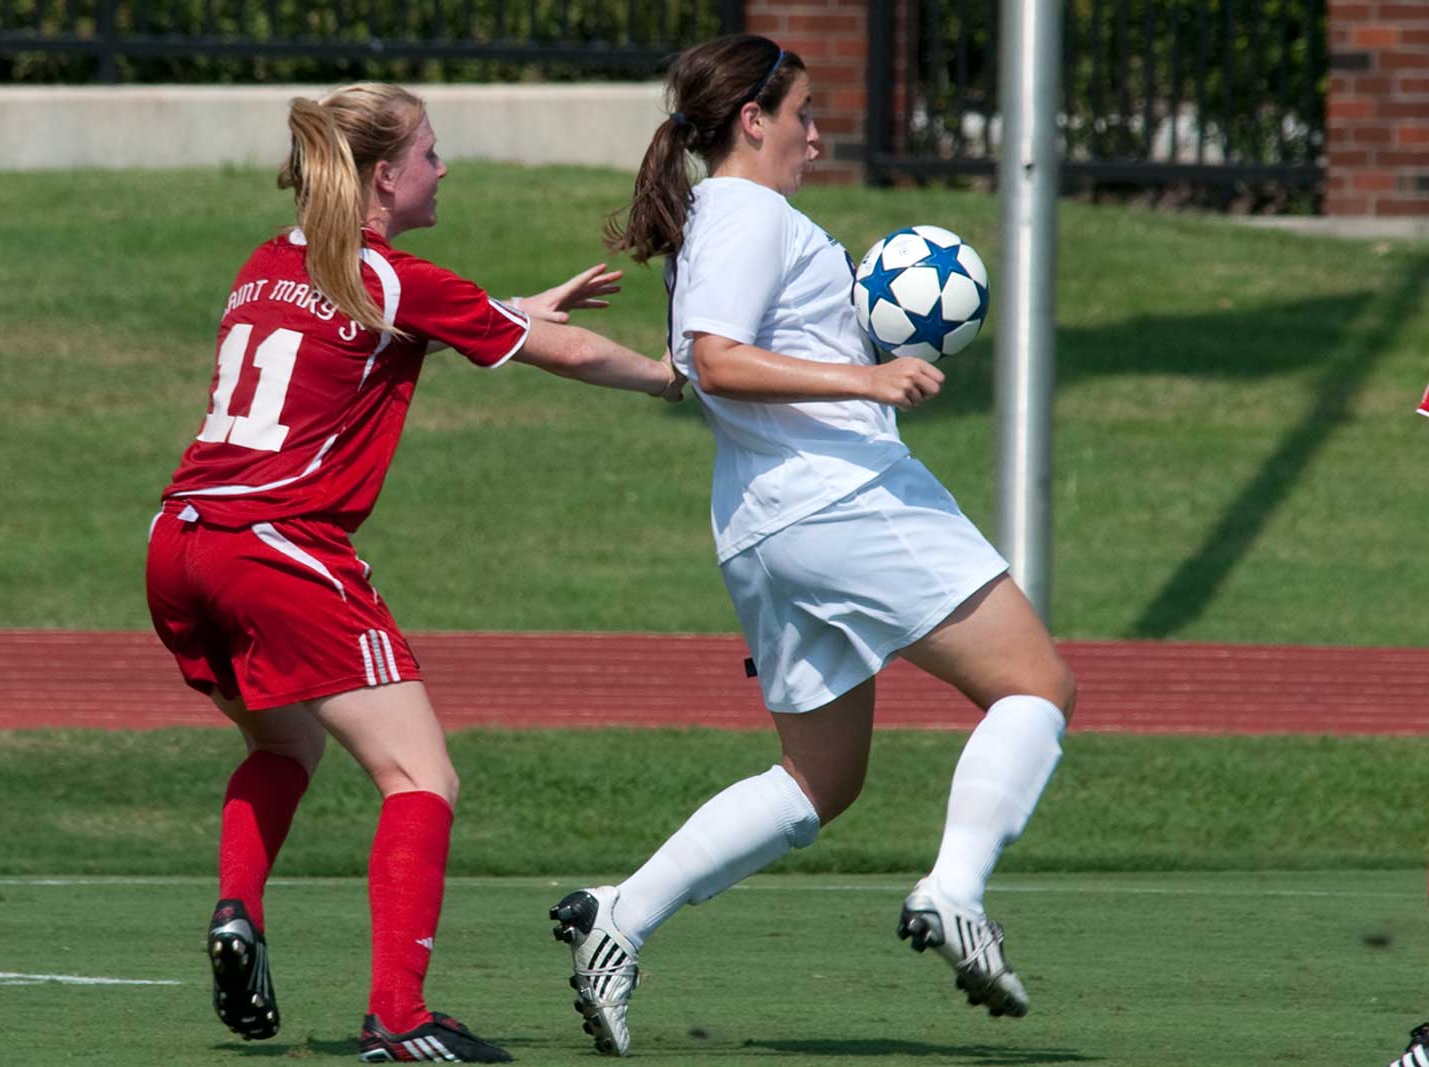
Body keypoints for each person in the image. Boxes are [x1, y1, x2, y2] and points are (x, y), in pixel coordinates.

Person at [546, 34, 1076, 1056]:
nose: (818, 137)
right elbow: (716, 360)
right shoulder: (746, 211)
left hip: (766, 529)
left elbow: (691, 366)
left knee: (818, 779)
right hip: (841, 499)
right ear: (753, 120)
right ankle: (954, 890)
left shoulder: (717, 219)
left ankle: (620, 915)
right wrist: (864, 378)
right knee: (1036, 686)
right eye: (802, 116)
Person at [145, 82, 680, 1064]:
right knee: (419, 775)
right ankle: (397, 1014)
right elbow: (562, 353)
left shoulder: (267, 262)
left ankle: (237, 910)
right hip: (277, 547)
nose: (444, 167)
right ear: (386, 176)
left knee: (286, 744)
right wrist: (674, 376)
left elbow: (385, 321)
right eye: (430, 152)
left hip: (179, 540)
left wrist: (507, 311)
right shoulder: (391, 278)